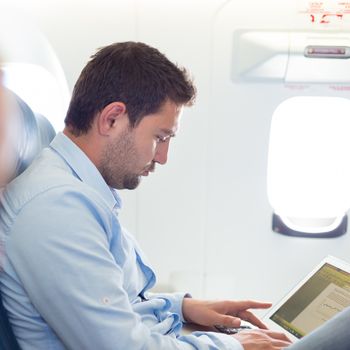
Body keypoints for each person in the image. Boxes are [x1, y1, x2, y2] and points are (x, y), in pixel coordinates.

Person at [0, 42, 291, 350]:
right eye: (160, 137)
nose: (163, 157)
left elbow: (115, 299)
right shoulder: (56, 209)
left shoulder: (78, 190)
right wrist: (235, 347)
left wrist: (181, 308)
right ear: (112, 119)